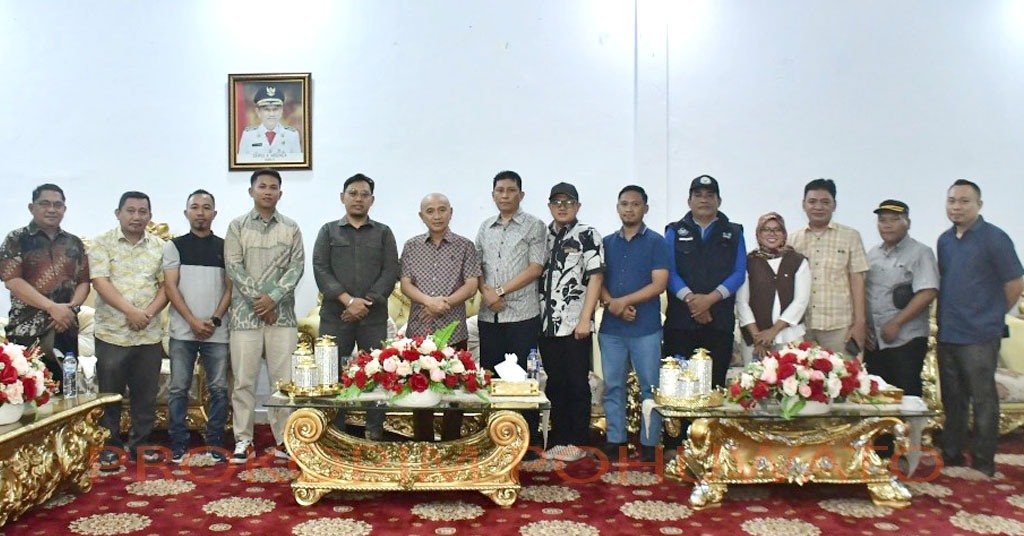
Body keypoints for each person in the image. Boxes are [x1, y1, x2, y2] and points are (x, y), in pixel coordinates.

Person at [936, 179, 1023, 477]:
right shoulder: (945, 241)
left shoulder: (995, 238)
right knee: (953, 399)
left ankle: (984, 463)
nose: (956, 207)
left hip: (980, 334)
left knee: (983, 399)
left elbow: (1015, 283)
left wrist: (991, 314)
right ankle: (952, 457)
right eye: (952, 201)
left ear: (979, 205)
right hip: (949, 331)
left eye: (964, 201)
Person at [224, 169, 304, 463]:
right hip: (245, 318)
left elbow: (296, 268)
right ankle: (243, 440)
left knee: (283, 383)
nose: (268, 191)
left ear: (280, 193)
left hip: (281, 318)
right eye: (262, 186)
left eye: (273, 187)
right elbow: (234, 267)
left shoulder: (291, 228)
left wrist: (273, 300)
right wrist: (261, 303)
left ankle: (284, 440)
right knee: (243, 382)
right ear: (251, 191)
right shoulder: (237, 227)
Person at [312, 173, 399, 440]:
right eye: (353, 193)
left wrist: (365, 302)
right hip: (336, 315)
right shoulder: (328, 231)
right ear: (342, 197)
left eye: (364, 194)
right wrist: (348, 301)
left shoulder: (383, 232)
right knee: (332, 372)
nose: (358, 199)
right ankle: (337, 431)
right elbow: (320, 268)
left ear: (372, 200)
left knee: (377, 372)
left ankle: (374, 430)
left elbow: (390, 271)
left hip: (373, 317)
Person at [88, 191, 168, 465]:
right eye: (130, 210)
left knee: (145, 396)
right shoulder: (102, 243)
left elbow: (166, 286)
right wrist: (130, 312)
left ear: (150, 215)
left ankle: (141, 444)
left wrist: (147, 313)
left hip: (148, 334)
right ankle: (110, 446)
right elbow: (100, 282)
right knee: (109, 394)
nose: (136, 216)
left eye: (142, 211)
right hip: (112, 334)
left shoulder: (161, 247)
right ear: (118, 213)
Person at [475, 170, 546, 457]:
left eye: (511, 190)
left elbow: (536, 267)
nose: (505, 195)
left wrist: (500, 291)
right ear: (493, 195)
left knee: (522, 381)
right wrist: (487, 293)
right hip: (489, 316)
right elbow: (476, 266)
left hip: (522, 316)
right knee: (492, 379)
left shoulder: (534, 226)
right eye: (500, 191)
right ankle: (493, 439)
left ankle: (526, 442)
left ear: (521, 194)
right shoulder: (485, 227)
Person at [399, 192, 480, 440]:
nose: (437, 215)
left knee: (454, 392)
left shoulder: (465, 246)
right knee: (419, 388)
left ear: (451, 212)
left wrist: (444, 303)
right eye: (430, 211)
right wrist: (429, 302)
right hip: (419, 330)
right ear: (421, 216)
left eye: (442, 209)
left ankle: (451, 443)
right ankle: (423, 442)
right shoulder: (411, 246)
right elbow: (405, 284)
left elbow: (471, 285)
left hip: (453, 329)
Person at [598, 185, 668, 463]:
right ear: (618, 208)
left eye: (635, 204)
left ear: (645, 209)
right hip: (612, 329)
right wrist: (612, 305)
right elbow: (597, 281)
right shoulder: (606, 243)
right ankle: (616, 441)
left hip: (645, 327)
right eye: (624, 204)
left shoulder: (656, 242)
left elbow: (659, 284)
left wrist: (622, 302)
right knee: (613, 386)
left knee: (650, 387)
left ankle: (650, 444)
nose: (629, 209)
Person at [162, 189, 232, 463]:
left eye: (206, 207)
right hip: (183, 331)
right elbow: (170, 287)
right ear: (186, 212)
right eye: (195, 207)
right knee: (179, 388)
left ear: (214, 213)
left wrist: (214, 319)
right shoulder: (174, 246)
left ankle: (215, 442)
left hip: (217, 330)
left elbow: (230, 288)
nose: (200, 212)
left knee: (219, 389)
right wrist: (192, 320)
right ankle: (178, 444)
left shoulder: (226, 247)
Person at [537, 182, 604, 462]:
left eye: (568, 202)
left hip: (575, 323)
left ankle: (578, 442)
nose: (562, 207)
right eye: (557, 202)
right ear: (549, 206)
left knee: (577, 383)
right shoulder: (542, 235)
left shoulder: (587, 234)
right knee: (555, 383)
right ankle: (559, 439)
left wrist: (585, 319)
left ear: (577, 206)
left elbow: (596, 277)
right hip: (546, 324)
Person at [0, 184, 90, 390]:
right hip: (26, 330)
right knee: (29, 392)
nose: (52, 209)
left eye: (58, 205)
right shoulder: (16, 239)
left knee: (67, 389)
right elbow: (12, 281)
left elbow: (84, 281)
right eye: (45, 204)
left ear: (64, 209)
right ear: (32, 207)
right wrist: (52, 307)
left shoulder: (74, 243)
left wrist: (70, 309)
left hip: (65, 328)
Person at [664, 175, 746, 388]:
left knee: (714, 388)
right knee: (678, 388)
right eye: (698, 195)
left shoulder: (734, 232)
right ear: (689, 201)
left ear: (719, 201)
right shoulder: (674, 231)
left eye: (710, 195)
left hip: (718, 323)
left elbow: (738, 273)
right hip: (681, 323)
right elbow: (669, 272)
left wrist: (709, 300)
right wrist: (692, 301)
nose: (704, 200)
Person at [864, 200, 938, 398]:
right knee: (878, 397)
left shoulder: (920, 252)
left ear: (908, 223)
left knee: (907, 397)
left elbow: (928, 291)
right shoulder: (872, 255)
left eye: (894, 219)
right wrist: (866, 327)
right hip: (876, 342)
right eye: (882, 220)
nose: (887, 225)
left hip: (906, 339)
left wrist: (897, 323)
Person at [790, 178, 869, 355]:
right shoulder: (793, 240)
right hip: (803, 326)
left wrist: (859, 323)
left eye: (825, 202)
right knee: (801, 372)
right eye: (812, 202)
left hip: (840, 327)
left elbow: (857, 280)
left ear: (834, 205)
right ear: (803, 205)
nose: (818, 207)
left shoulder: (850, 236)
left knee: (844, 372)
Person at [735, 212, 811, 358]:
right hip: (754, 339)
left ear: (784, 234)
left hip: (790, 336)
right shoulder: (748, 261)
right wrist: (758, 338)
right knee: (754, 373)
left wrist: (772, 332)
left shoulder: (797, 261)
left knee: (792, 372)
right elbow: (742, 303)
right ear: (758, 234)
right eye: (766, 229)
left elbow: (801, 301)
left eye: (777, 229)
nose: (772, 233)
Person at [236, 85, 303, 163]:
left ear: (281, 111)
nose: (271, 114)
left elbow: (297, 165)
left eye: (275, 109)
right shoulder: (248, 136)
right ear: (258, 112)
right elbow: (242, 164)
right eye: (266, 110)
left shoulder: (292, 135)